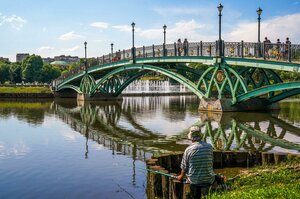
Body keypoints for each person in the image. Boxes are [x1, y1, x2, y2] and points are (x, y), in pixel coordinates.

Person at [177, 126, 215, 199]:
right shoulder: (209, 147)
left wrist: (180, 176)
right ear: (200, 136)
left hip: (194, 182)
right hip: (209, 180)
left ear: (191, 137)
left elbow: (184, 168)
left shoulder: (188, 150)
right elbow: (210, 163)